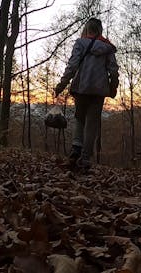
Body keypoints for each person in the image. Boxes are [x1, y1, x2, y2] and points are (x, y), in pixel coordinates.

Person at [55, 18, 119, 169]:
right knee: (92, 123)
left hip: (81, 88)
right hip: (99, 91)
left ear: (87, 28)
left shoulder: (80, 43)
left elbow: (72, 66)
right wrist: (113, 87)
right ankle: (85, 159)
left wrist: (62, 84)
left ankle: (76, 149)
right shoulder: (107, 47)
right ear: (99, 30)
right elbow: (114, 70)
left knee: (80, 118)